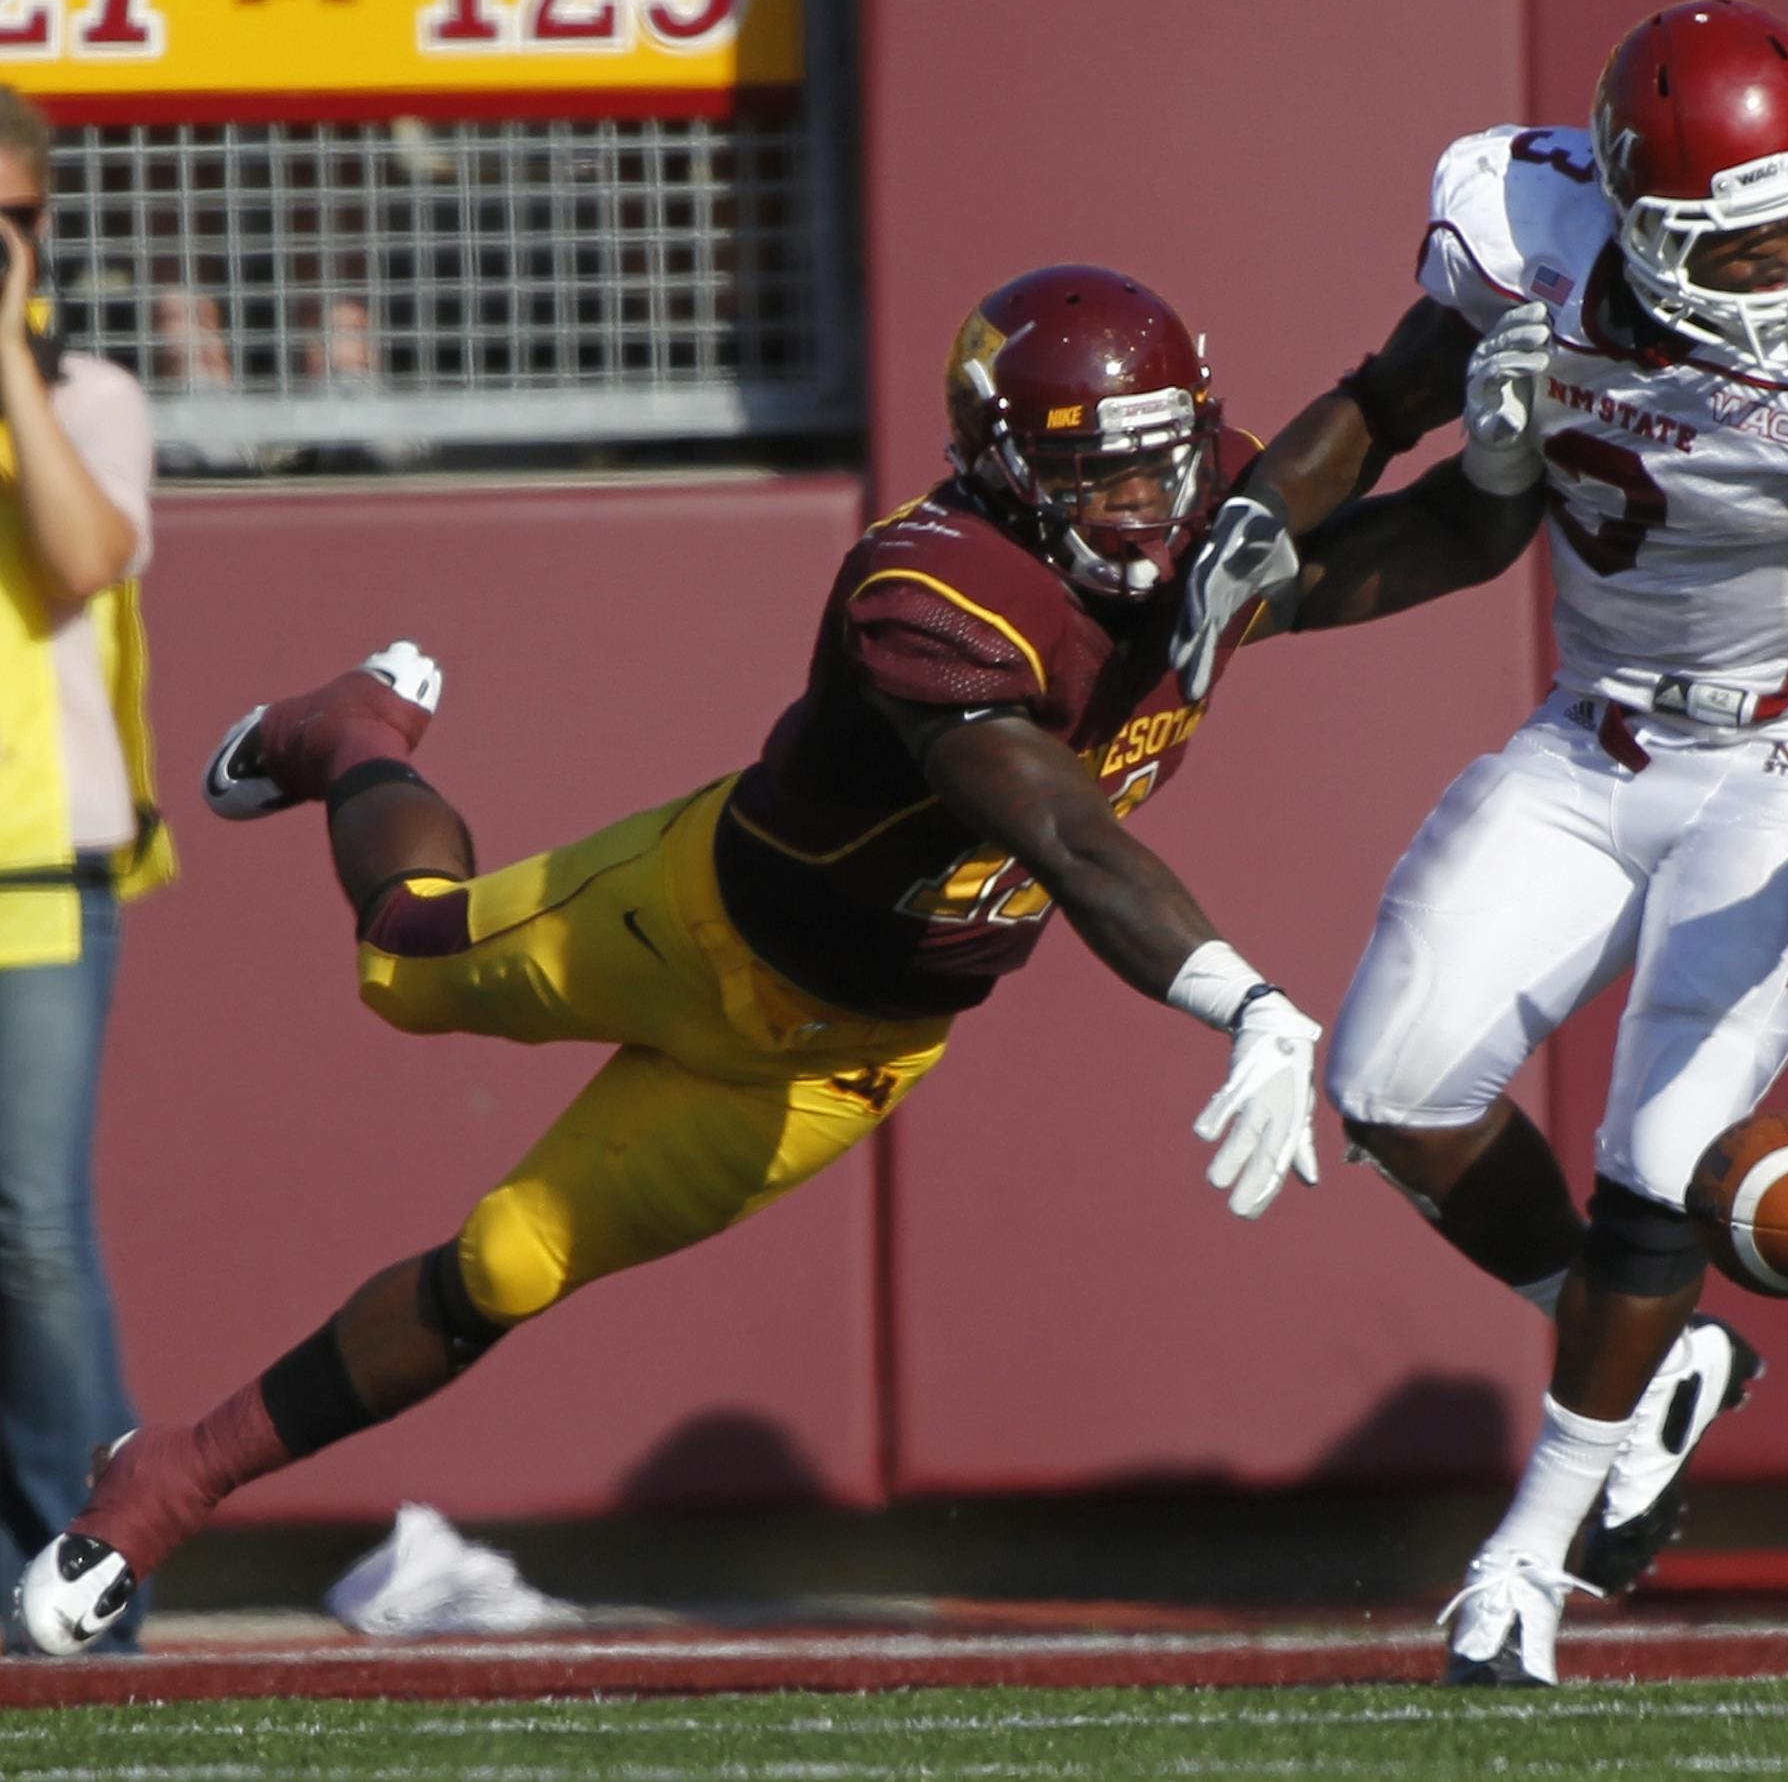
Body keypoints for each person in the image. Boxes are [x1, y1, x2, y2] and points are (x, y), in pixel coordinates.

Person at [13, 261, 1548, 1655]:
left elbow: (1429, 528)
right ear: (1009, 470)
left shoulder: (1197, 509)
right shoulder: (930, 589)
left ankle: (167, 1479)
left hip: (856, 1053)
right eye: (1103, 469)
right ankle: (352, 730)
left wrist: (1499, 424)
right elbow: (1064, 833)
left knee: (507, 1261)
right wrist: (1245, 998)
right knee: (404, 962)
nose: (1150, 501)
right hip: (694, 925)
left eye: (1167, 456)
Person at [1170, 0, 1788, 1686]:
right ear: (1641, 225)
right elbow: (1384, 422)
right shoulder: (1528, 248)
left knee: (1665, 1143)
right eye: (1739, 242)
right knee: (1392, 1078)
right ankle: (1646, 1360)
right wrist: (1259, 536)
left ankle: (1523, 1565)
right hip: (1592, 730)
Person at [0, 86, 167, 1652]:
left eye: (17, 218)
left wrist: (3, 352)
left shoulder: (86, 396)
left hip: (39, 872)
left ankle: (83, 1582)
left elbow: (78, 554)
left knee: (35, 1234)